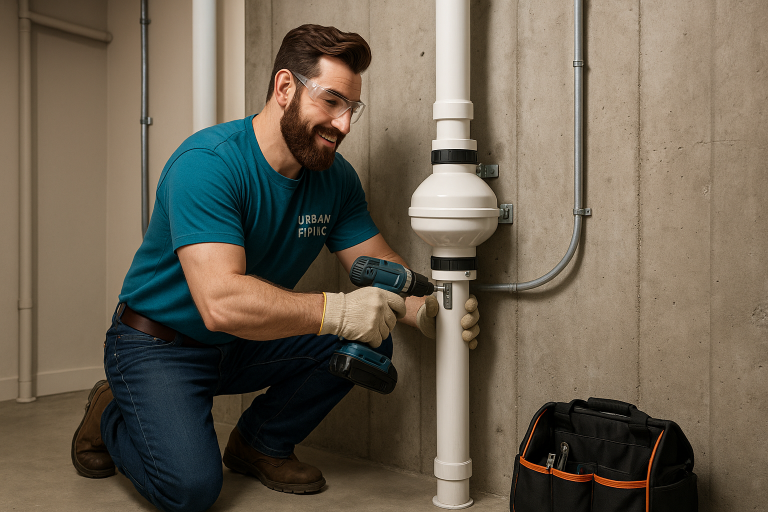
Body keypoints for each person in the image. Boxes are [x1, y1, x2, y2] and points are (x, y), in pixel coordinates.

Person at [70, 24, 480, 512]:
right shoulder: (208, 163)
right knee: (191, 491)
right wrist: (338, 311)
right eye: (331, 101)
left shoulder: (334, 179)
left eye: (352, 108)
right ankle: (113, 410)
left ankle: (260, 443)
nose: (344, 124)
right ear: (285, 87)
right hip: (158, 344)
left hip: (239, 344)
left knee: (370, 338)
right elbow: (221, 302)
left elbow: (377, 263)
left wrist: (425, 310)